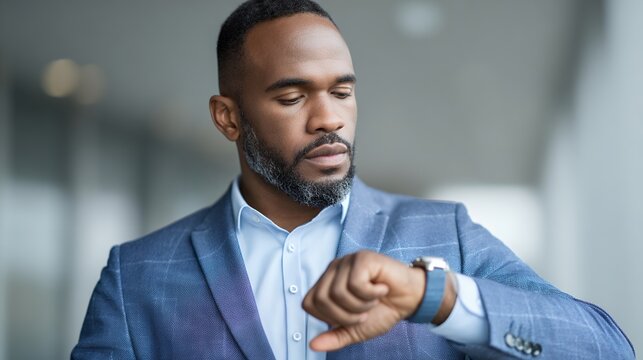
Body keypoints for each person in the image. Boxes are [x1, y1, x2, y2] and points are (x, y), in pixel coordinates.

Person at [71, 1, 635, 359]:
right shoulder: (136, 277)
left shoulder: (447, 235)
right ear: (228, 118)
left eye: (342, 92)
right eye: (292, 97)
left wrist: (431, 296)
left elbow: (605, 349)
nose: (329, 118)